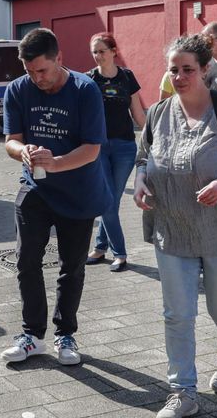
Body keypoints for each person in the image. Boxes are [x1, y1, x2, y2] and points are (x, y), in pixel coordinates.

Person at [134, 34, 217, 418]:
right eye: (173, 69)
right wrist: (142, 180)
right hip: (173, 228)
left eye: (187, 69)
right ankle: (182, 391)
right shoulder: (160, 113)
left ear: (206, 70)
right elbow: (143, 157)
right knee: (177, 313)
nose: (178, 76)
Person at [1, 28, 110, 366]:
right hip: (35, 188)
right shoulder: (18, 90)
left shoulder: (85, 90)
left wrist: (58, 162)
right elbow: (10, 140)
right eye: (29, 71)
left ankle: (66, 335)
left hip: (78, 192)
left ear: (59, 59)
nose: (36, 78)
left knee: (72, 267)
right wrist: (23, 152)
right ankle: (32, 335)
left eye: (42, 71)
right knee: (26, 262)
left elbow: (92, 149)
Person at [86, 33, 146, 272]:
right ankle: (119, 253)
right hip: (97, 148)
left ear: (113, 51)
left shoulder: (127, 77)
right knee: (108, 202)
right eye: (94, 52)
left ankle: (100, 247)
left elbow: (138, 114)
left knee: (112, 200)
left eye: (102, 51)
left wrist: (152, 139)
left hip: (124, 147)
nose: (98, 56)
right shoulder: (89, 80)